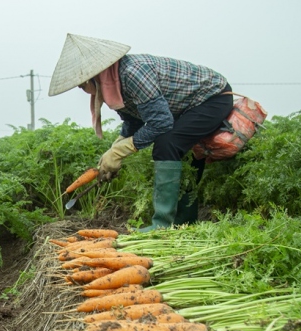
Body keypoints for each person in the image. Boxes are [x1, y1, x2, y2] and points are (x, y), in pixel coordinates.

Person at [49, 34, 234, 231]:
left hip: (212, 98)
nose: (83, 90)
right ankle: (184, 224)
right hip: (186, 107)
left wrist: (121, 151)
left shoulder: (132, 74)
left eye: (82, 84)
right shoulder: (112, 84)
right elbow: (133, 120)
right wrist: (116, 147)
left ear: (95, 76)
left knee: (167, 144)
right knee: (183, 152)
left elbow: (161, 122)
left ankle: (162, 225)